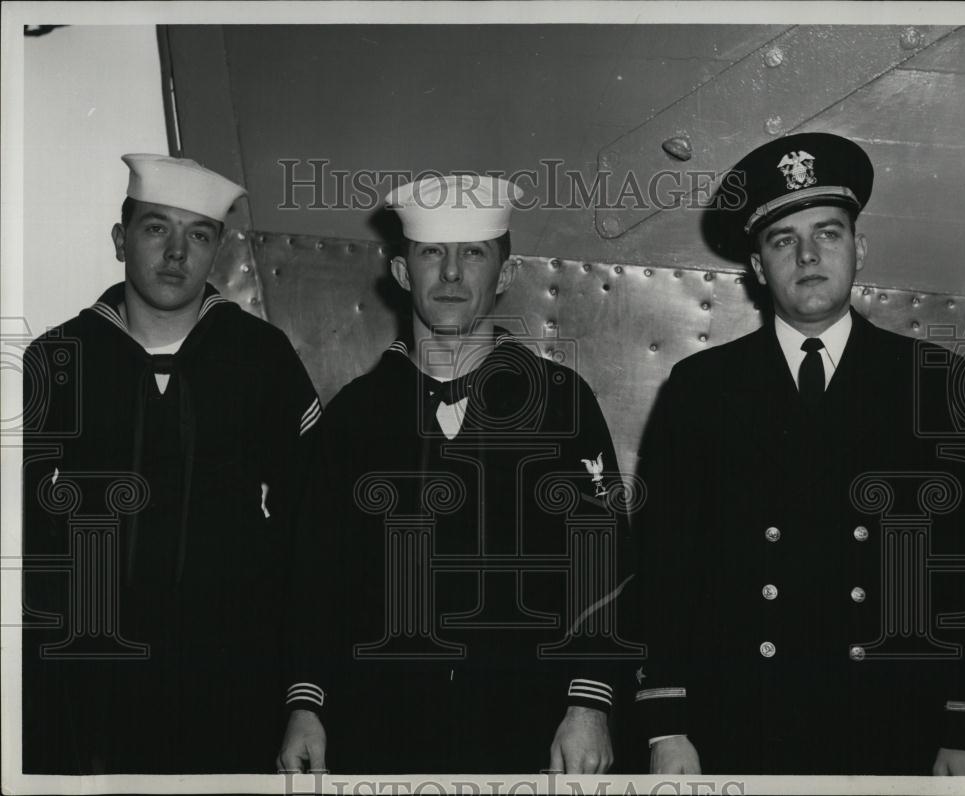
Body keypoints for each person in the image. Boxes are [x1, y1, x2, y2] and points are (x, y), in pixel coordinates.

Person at [634, 133, 965, 775]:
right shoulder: (702, 387)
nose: (809, 255)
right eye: (783, 240)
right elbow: (664, 565)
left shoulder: (933, 382)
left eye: (828, 233)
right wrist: (667, 726)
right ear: (758, 266)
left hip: (895, 723)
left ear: (859, 248)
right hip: (742, 720)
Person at [277, 174, 641, 774]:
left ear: (506, 273)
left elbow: (604, 563)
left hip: (530, 730)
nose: (450, 274)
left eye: (473, 253)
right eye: (431, 254)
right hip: (378, 730)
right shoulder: (356, 414)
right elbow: (316, 576)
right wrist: (306, 706)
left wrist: (589, 704)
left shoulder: (559, 401)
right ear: (401, 272)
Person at [21, 154, 321, 773]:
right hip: (85, 694)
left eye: (199, 235)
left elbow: (315, 531)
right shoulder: (57, 360)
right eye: (157, 228)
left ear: (217, 253)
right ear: (120, 239)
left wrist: (303, 692)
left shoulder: (261, 359)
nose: (177, 253)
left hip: (233, 690)